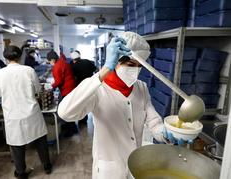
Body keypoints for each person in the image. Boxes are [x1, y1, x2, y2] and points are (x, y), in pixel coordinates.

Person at [58, 32, 188, 179]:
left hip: (136, 165)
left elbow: (153, 121)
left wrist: (165, 133)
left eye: (140, 66)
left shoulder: (141, 87)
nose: (135, 70)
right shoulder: (98, 89)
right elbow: (65, 113)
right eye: (130, 64)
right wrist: (106, 69)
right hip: (110, 169)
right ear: (116, 61)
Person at [0, 46, 52, 179]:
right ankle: (47, 167)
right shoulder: (28, 70)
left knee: (17, 145)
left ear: (5, 58)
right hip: (31, 112)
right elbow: (37, 89)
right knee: (40, 141)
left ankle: (21, 173)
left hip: (13, 114)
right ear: (20, 56)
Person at [46, 50, 78, 137]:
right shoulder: (63, 62)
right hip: (71, 88)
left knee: (66, 110)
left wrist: (50, 87)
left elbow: (59, 81)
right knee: (69, 108)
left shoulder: (57, 66)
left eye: (49, 61)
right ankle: (72, 127)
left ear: (52, 59)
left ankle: (71, 130)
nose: (49, 63)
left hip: (67, 90)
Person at [70, 50, 97, 125]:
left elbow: (73, 77)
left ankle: (83, 120)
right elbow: (95, 69)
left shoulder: (73, 66)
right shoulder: (87, 61)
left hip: (80, 86)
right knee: (92, 100)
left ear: (73, 59)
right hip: (90, 84)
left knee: (82, 102)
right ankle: (95, 116)